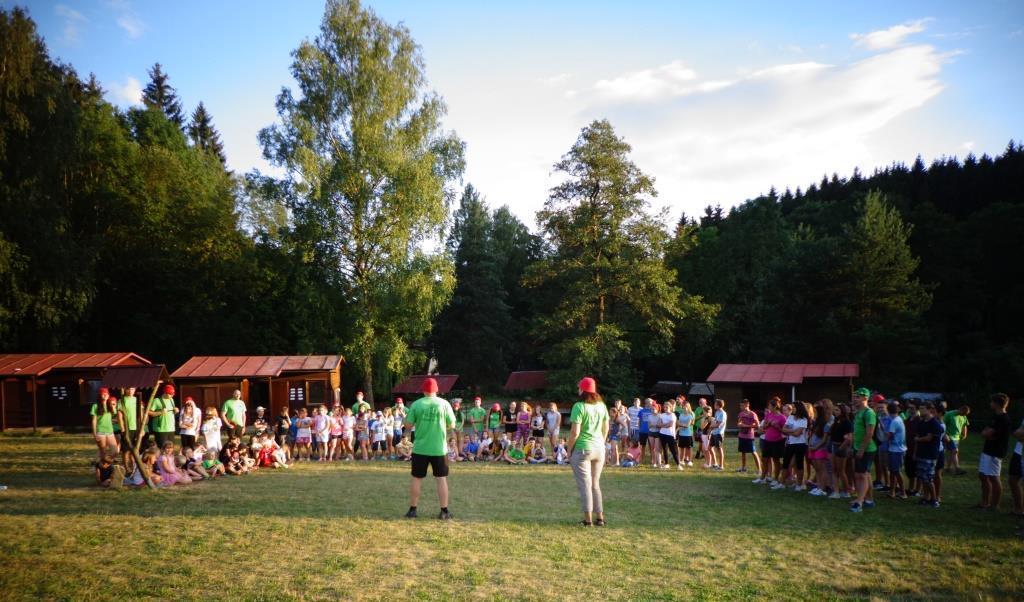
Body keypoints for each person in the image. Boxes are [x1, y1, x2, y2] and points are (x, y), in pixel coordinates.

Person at [404, 377, 456, 520]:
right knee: (441, 479)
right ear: (437, 390)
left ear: (424, 390)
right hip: (439, 448)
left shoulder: (416, 404)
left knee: (417, 478)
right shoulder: (444, 404)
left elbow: (407, 426)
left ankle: (413, 510)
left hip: (420, 448)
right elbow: (452, 424)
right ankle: (444, 511)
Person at [569, 376, 609, 527]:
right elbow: (606, 429)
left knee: (585, 485)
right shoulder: (602, 406)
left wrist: (569, 449)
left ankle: (588, 520)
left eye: (579, 387)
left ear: (583, 390)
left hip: (583, 449)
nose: (578, 389)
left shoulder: (579, 406)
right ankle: (600, 518)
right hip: (599, 448)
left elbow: (574, 433)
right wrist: (601, 443)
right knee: (595, 485)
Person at [978, 393, 1011, 511]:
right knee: (983, 475)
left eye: (992, 402)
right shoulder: (995, 417)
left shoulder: (1003, 418)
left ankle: (995, 505)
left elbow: (988, 433)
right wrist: (987, 433)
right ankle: (984, 502)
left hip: (995, 452)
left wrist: (987, 434)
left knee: (993, 477)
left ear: (997, 404)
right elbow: (986, 432)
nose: (990, 404)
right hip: (988, 449)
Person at [849, 388, 877, 513]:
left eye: (858, 397)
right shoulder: (859, 412)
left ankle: (859, 502)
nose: (855, 399)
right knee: (861, 475)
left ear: (865, 398)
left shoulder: (869, 413)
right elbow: (857, 432)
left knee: (863, 475)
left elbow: (869, 433)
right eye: (855, 397)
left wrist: (861, 449)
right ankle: (867, 499)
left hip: (867, 449)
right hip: (857, 447)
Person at [914, 402, 943, 508]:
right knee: (922, 477)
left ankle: (934, 500)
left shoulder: (934, 423)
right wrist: (915, 452)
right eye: (920, 408)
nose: (920, 410)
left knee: (929, 478)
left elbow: (929, 438)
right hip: (921, 453)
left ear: (929, 410)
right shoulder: (922, 422)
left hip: (930, 455)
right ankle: (926, 498)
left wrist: (918, 439)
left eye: (922, 408)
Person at [885, 402, 907, 498]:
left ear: (888, 411)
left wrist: (882, 430)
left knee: (896, 471)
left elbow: (889, 436)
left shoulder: (894, 422)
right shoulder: (898, 419)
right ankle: (892, 491)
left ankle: (903, 492)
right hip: (896, 449)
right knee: (893, 471)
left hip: (896, 450)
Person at [90, 388, 118, 461]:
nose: (105, 395)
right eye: (103, 393)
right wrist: (94, 434)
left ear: (108, 395)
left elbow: (115, 414)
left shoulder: (110, 405)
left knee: (115, 452)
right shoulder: (95, 406)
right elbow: (94, 421)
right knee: (103, 452)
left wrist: (113, 406)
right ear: (100, 395)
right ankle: (102, 468)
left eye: (107, 393)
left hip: (110, 432)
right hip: (100, 432)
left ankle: (105, 464)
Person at [116, 386, 139, 469]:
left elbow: (141, 413)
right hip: (127, 428)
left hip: (136, 427)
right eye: (128, 389)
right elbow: (119, 414)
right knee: (126, 449)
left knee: (135, 449)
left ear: (135, 390)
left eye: (132, 389)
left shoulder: (137, 400)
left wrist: (142, 428)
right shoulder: (122, 400)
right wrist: (122, 427)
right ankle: (127, 468)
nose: (130, 391)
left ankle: (134, 466)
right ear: (125, 390)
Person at [944, 405, 971, 475]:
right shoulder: (949, 414)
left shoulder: (964, 416)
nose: (964, 415)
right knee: (955, 451)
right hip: (949, 436)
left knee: (951, 453)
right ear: (960, 409)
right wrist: (945, 434)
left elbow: (965, 425)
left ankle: (947, 468)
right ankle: (957, 468)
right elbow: (942, 424)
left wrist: (964, 434)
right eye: (963, 413)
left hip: (957, 437)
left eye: (965, 414)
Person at [735, 399, 760, 474]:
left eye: (742, 405)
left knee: (753, 452)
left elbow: (757, 425)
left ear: (747, 405)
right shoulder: (741, 414)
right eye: (740, 405)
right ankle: (743, 468)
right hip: (741, 435)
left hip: (749, 436)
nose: (741, 407)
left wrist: (747, 426)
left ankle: (759, 469)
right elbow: (738, 423)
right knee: (743, 452)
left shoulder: (752, 414)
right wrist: (740, 424)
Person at [659, 400, 683, 470]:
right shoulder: (662, 415)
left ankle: (678, 465)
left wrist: (663, 425)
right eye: (664, 407)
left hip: (670, 435)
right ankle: (666, 464)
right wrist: (664, 425)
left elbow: (670, 425)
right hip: (662, 434)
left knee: (673, 450)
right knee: (665, 449)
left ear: (670, 407)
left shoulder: (673, 415)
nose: (665, 408)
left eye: (667, 407)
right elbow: (658, 424)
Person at [676, 401, 695, 467]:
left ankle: (690, 461)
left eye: (686, 406)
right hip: (681, 434)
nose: (684, 408)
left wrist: (681, 424)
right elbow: (678, 424)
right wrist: (680, 426)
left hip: (688, 434)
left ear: (688, 407)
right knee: (682, 448)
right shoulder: (680, 415)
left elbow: (687, 425)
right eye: (683, 406)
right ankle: (682, 460)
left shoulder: (690, 416)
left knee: (689, 448)